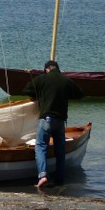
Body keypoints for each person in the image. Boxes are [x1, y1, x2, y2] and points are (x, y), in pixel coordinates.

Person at [21, 60, 84, 188]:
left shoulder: (42, 79)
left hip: (46, 119)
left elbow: (26, 90)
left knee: (41, 147)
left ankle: (43, 176)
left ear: (46, 69)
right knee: (60, 150)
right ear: (58, 69)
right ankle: (59, 179)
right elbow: (80, 94)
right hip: (60, 121)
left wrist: (39, 93)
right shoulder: (65, 80)